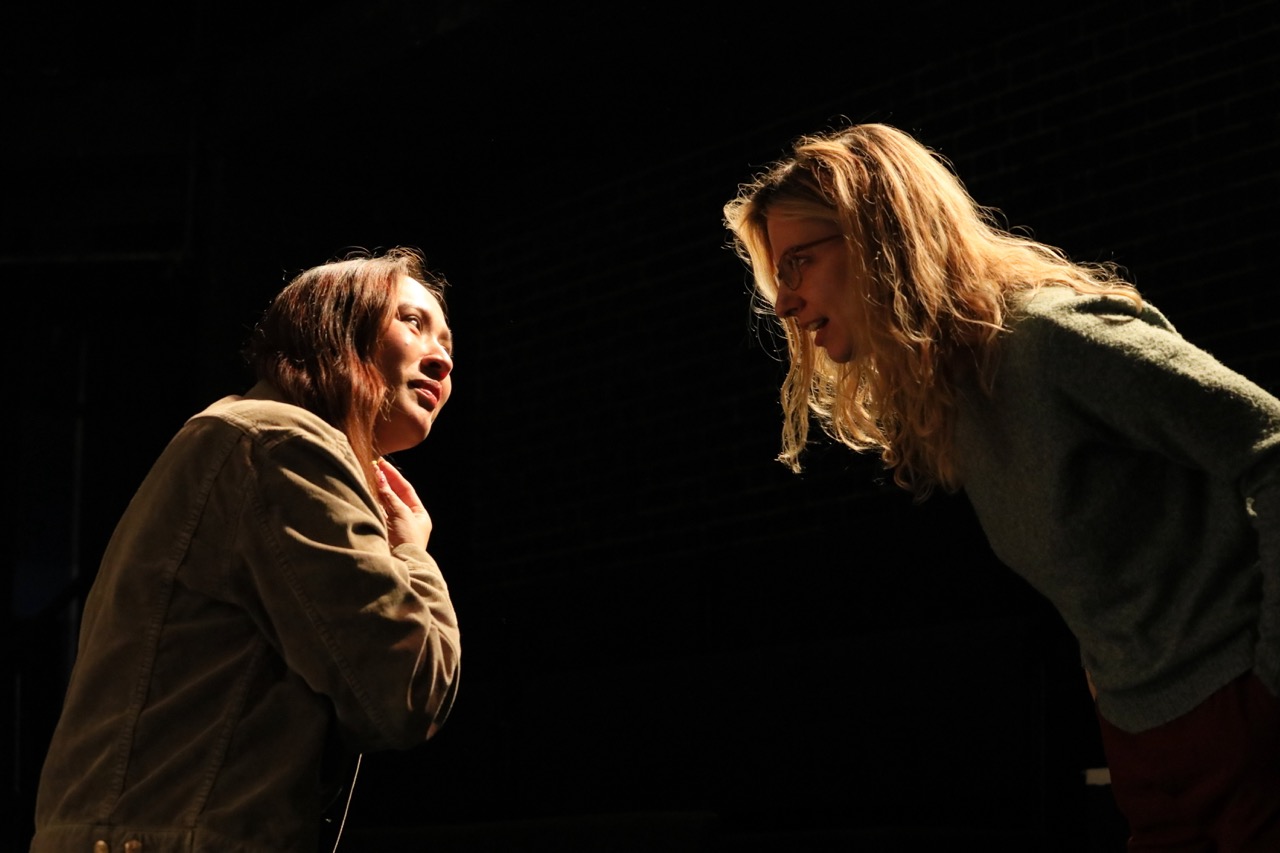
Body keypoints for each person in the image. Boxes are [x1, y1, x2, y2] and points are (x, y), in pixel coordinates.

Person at [724, 124, 1280, 850]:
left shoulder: (1047, 341)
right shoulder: (962, 394)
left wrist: (1270, 684)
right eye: (778, 277)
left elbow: (1272, 445)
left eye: (799, 262)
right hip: (1146, 749)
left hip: (1247, 724)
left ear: (879, 237)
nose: (785, 304)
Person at [30, 248, 461, 852]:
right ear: (332, 326)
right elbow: (406, 693)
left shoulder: (241, 434)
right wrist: (414, 554)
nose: (442, 358)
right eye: (412, 323)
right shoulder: (283, 443)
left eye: (447, 341)